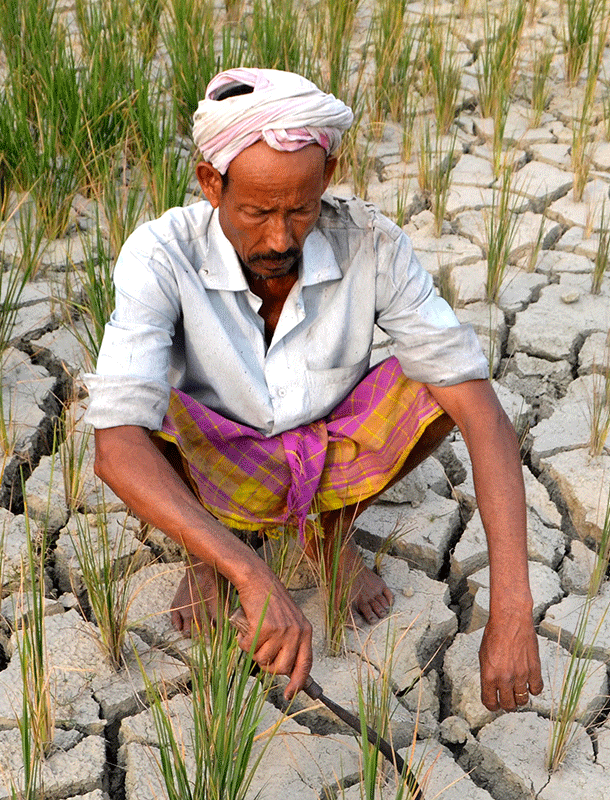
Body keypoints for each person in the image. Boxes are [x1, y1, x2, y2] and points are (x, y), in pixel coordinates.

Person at [84, 68, 543, 710]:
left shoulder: (372, 243)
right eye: (256, 212)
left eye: (299, 210)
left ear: (326, 178)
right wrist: (250, 572)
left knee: (442, 383)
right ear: (211, 184)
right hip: (212, 455)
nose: (280, 238)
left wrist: (513, 609)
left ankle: (329, 536)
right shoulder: (161, 254)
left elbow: (484, 415)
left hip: (321, 450)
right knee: (138, 405)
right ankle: (209, 555)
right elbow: (114, 448)